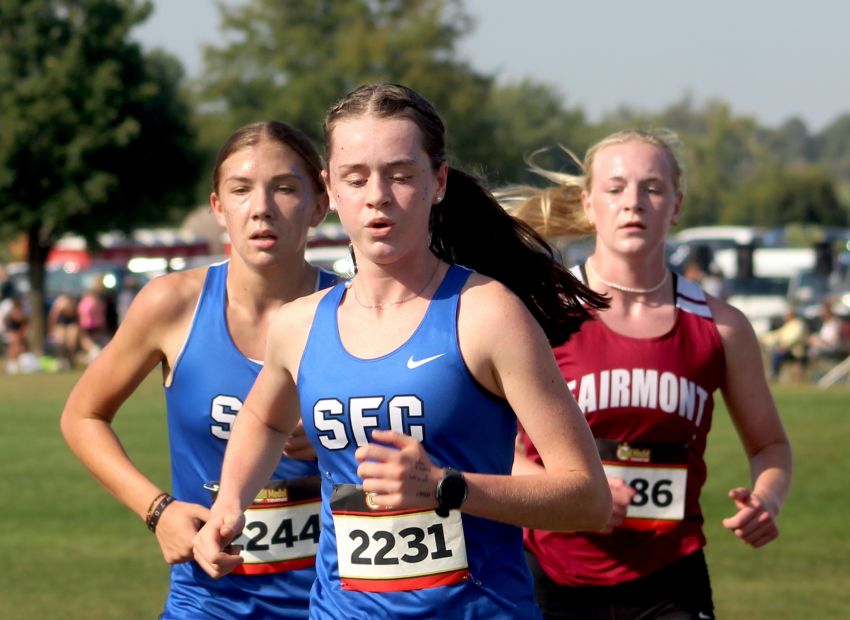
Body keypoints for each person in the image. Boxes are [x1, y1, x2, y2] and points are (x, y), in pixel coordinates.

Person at [193, 83, 612, 619]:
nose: (377, 196)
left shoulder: (486, 313)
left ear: (437, 182)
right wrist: (230, 502)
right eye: (356, 177)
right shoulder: (299, 324)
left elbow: (588, 498)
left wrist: (448, 488)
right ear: (331, 190)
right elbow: (264, 419)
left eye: (400, 174)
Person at [500, 129, 793, 620]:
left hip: (671, 582)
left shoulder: (721, 327)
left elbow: (771, 446)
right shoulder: (537, 315)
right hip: (548, 577)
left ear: (676, 204)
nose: (633, 202)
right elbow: (494, 450)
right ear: (589, 203)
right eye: (615, 189)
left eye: (652, 188)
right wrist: (579, 494)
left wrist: (768, 498)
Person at [60, 121, 335, 619]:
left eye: (285, 188)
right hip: (208, 601)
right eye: (241, 189)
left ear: (319, 205)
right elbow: (82, 416)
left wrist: (338, 439)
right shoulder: (173, 305)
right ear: (218, 209)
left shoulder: (357, 311)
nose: (262, 208)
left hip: (334, 602)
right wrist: (156, 510)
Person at [761, 306, 808, 382]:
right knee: (772, 353)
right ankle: (772, 373)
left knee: (778, 354)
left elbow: (795, 337)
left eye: (786, 316)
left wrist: (785, 345)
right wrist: (763, 339)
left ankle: (775, 374)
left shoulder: (799, 325)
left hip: (796, 352)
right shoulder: (788, 325)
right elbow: (777, 335)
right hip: (786, 349)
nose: (784, 317)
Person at [47, 293, 81, 369]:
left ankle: (71, 360)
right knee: (60, 342)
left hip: (70, 323)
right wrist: (51, 330)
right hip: (60, 323)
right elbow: (53, 317)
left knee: (71, 342)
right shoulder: (59, 304)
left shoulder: (73, 306)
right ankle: (61, 360)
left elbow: (77, 319)